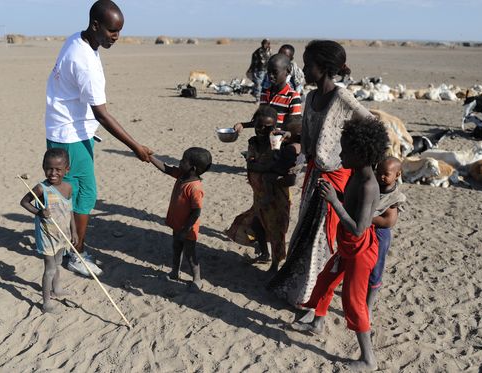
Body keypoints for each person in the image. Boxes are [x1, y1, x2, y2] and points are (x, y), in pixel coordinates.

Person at [44, 0, 153, 277]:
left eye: (119, 31)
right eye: (112, 31)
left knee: (77, 194)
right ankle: (75, 253)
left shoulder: (79, 41)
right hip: (70, 135)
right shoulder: (84, 62)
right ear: (95, 25)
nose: (116, 37)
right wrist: (136, 147)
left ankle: (70, 247)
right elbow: (103, 115)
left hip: (72, 130)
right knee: (81, 195)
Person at [268, 40, 373, 308]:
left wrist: (348, 151)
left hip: (335, 177)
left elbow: (371, 123)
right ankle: (301, 284)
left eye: (307, 63)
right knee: (305, 229)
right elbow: (309, 138)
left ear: (324, 67)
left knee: (321, 236)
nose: (303, 68)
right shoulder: (311, 97)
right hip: (313, 175)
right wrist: (295, 144)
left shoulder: (342, 97)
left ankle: (312, 293)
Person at [291, 116, 388, 371]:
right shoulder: (356, 173)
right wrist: (336, 195)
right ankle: (317, 323)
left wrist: (335, 201)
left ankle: (368, 359)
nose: (340, 153)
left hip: (359, 252)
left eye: (345, 149)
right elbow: (351, 206)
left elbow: (359, 228)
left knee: (353, 303)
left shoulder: (369, 185)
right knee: (324, 281)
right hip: (347, 247)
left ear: (360, 152)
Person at [226, 107, 302, 272]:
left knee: (276, 231)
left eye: (268, 127)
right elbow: (252, 163)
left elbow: (276, 166)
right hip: (259, 193)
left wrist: (260, 166)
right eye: (259, 125)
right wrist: (262, 167)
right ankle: (265, 254)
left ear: (274, 127)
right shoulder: (253, 142)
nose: (262, 130)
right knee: (257, 224)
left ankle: (275, 265)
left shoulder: (277, 142)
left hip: (276, 196)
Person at [20, 148, 79, 313]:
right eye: (49, 168)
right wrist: (39, 212)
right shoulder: (41, 188)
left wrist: (74, 231)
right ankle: (46, 303)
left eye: (58, 169)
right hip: (47, 235)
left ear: (66, 170)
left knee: (58, 264)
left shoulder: (68, 188)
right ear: (43, 167)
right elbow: (24, 202)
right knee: (50, 269)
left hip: (62, 234)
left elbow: (70, 211)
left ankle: (57, 289)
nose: (53, 173)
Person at [151, 147, 212, 291]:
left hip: (188, 228)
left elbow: (196, 211)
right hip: (177, 225)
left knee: (190, 254)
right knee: (176, 248)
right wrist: (150, 158)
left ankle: (197, 279)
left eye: (184, 160)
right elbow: (166, 168)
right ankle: (174, 272)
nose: (180, 161)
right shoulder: (182, 175)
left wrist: (186, 229)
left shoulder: (194, 187)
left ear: (193, 167)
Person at [367, 157, 406, 322]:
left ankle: (368, 306)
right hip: (364, 228)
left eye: (386, 174)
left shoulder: (395, 196)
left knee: (376, 268)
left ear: (397, 175)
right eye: (379, 172)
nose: (381, 176)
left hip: (380, 233)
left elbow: (389, 221)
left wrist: (366, 218)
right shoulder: (373, 185)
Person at [234, 53, 302, 133]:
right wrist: (243, 125)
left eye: (275, 72)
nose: (271, 76)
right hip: (263, 141)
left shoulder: (292, 96)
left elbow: (294, 127)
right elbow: (261, 120)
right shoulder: (264, 93)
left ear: (287, 71)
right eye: (268, 72)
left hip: (280, 142)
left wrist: (280, 132)